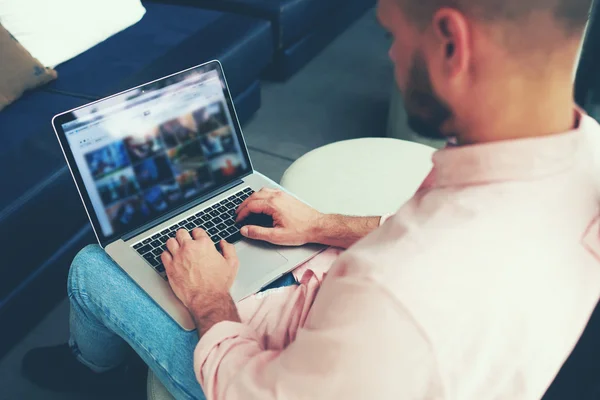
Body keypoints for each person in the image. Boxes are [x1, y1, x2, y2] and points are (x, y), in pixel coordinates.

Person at [22, 0, 600, 398]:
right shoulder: (582, 159)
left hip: (274, 364)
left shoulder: (397, 297)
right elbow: (453, 241)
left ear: (452, 43)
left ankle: (95, 373)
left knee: (93, 267)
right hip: (335, 323)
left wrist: (209, 302)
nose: (392, 58)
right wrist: (321, 223)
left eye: (392, 34)